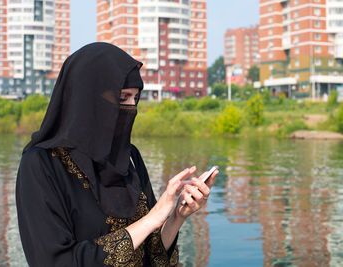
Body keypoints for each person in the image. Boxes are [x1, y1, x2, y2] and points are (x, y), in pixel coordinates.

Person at [16, 42, 219, 266]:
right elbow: (53, 261)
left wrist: (176, 218)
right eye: (123, 99)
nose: (132, 108)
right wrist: (151, 219)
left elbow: (152, 257)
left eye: (135, 98)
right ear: (87, 99)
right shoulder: (42, 165)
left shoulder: (129, 157)